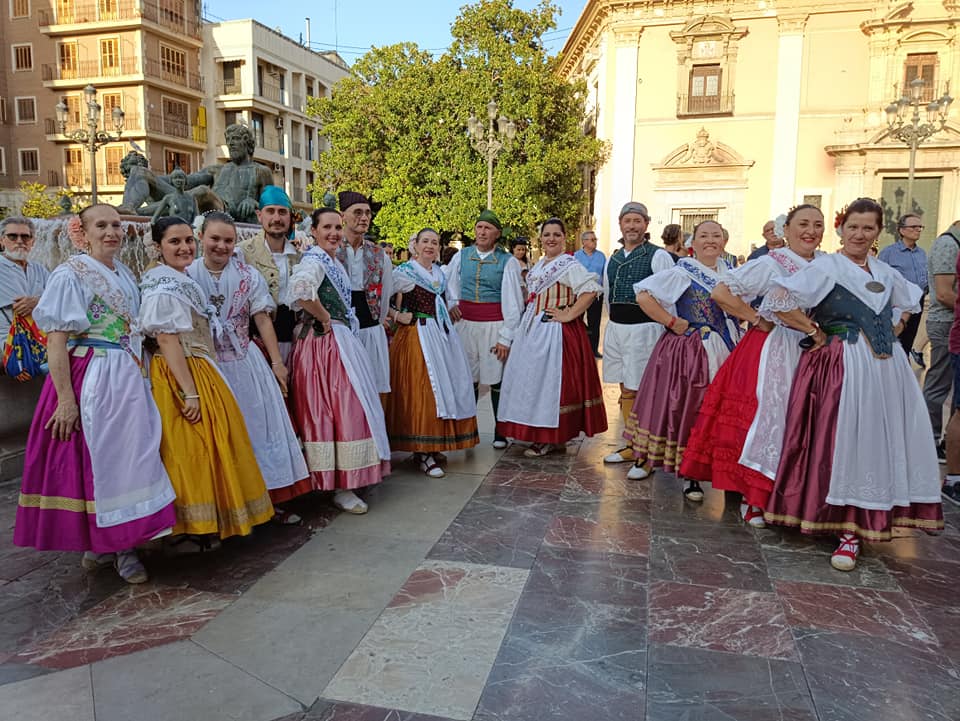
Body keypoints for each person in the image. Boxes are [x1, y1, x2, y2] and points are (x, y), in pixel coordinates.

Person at [761, 198, 942, 570]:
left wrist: (897, 324)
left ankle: (866, 518)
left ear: (878, 232)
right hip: (843, 364)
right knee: (846, 438)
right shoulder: (827, 266)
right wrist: (814, 329)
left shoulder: (883, 270)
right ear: (841, 229)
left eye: (868, 228)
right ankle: (845, 526)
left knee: (879, 437)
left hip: (887, 368)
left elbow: (910, 301)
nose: (860, 234)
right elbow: (778, 300)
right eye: (853, 227)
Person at [14, 204, 177, 583]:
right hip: (95, 375)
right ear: (82, 233)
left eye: (116, 225)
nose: (112, 232)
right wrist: (66, 400)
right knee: (104, 461)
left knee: (130, 458)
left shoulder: (122, 272)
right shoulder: (70, 274)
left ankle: (118, 540)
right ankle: (118, 547)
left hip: (128, 373)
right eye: (101, 225)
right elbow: (56, 342)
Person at [680, 205, 824, 526]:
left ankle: (792, 495)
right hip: (771, 347)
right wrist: (756, 318)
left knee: (801, 422)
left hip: (813, 350)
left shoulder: (829, 264)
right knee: (763, 419)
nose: (810, 231)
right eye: (802, 224)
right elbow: (721, 291)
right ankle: (753, 496)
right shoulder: (770, 263)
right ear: (785, 230)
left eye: (817, 225)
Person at [140, 217, 273, 545]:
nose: (184, 247)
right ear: (158, 246)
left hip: (198, 366)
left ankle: (208, 524)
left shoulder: (179, 278)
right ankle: (191, 525)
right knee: (189, 450)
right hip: (180, 372)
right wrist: (190, 392)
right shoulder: (162, 284)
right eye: (174, 242)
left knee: (211, 446)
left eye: (187, 241)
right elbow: (167, 339)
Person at [187, 212, 311, 516]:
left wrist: (277, 362)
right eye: (215, 238)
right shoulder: (187, 274)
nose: (221, 246)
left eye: (228, 240)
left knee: (257, 427)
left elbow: (262, 320)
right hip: (205, 365)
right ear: (201, 236)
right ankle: (224, 507)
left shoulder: (247, 275)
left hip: (245, 362)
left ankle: (266, 501)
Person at [622, 220, 740, 499]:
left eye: (716, 235)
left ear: (724, 241)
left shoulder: (734, 272)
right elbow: (644, 295)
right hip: (691, 351)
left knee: (723, 413)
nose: (710, 240)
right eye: (704, 236)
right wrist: (671, 321)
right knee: (690, 409)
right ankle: (690, 474)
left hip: (727, 348)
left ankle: (724, 472)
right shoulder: (682, 271)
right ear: (693, 243)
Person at [287, 208, 391, 512]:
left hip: (339, 343)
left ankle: (347, 478)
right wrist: (325, 317)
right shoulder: (315, 260)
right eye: (326, 228)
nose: (333, 233)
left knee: (347, 408)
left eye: (336, 227)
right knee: (335, 409)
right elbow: (301, 291)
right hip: (324, 347)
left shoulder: (331, 261)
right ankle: (339, 485)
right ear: (315, 232)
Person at [497, 218, 607, 456]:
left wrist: (569, 314)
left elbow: (590, 290)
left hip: (554, 332)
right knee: (533, 383)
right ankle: (541, 434)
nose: (551, 239)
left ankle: (549, 437)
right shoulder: (538, 265)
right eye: (547, 235)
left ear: (565, 238)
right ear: (541, 239)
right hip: (533, 330)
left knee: (549, 385)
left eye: (557, 235)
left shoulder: (569, 264)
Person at [386, 228, 479, 476]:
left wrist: (449, 311)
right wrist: (397, 315)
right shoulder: (402, 273)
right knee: (424, 391)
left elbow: (444, 302)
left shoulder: (439, 273)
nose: (430, 246)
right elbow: (380, 300)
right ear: (414, 244)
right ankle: (423, 450)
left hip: (439, 335)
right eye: (425, 241)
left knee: (444, 389)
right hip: (416, 336)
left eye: (434, 243)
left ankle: (433, 445)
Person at [601, 202, 675, 464]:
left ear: (646, 224)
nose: (632, 226)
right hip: (617, 329)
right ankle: (631, 443)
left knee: (644, 389)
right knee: (625, 388)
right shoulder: (614, 256)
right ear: (620, 223)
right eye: (627, 221)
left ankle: (646, 450)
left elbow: (668, 297)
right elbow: (608, 295)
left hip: (645, 330)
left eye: (637, 221)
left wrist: (668, 329)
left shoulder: (658, 256)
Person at [445, 210, 524, 449]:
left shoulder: (507, 261)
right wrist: (451, 304)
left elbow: (513, 302)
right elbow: (449, 285)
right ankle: (468, 431)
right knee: (466, 376)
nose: (482, 232)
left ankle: (500, 431)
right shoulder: (461, 256)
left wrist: (506, 337)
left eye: (487, 228)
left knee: (497, 377)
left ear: (497, 234)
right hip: (465, 325)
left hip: (494, 325)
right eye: (479, 227)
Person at [119, 124, 274, 223]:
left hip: (224, 213)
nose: (231, 143)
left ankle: (138, 214)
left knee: (203, 192)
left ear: (247, 144)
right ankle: (129, 208)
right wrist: (141, 177)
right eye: (229, 140)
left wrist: (254, 203)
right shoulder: (217, 169)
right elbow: (183, 181)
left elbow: (272, 207)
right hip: (195, 205)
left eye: (236, 139)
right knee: (140, 171)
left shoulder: (261, 171)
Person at [336, 191, 393, 396]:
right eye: (357, 212)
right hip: (339, 330)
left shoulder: (379, 254)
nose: (364, 217)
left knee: (371, 388)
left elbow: (385, 296)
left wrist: (376, 319)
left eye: (367, 213)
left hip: (370, 326)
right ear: (342, 216)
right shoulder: (330, 250)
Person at [237, 186, 301, 363]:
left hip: (294, 342)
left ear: (290, 216)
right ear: (259, 215)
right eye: (270, 211)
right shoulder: (242, 253)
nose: (276, 218)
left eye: (282, 212)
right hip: (256, 344)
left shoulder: (299, 256)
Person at [923, 219, 960, 461]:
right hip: (946, 322)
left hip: (951, 321)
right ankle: (928, 439)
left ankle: (948, 440)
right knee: (938, 386)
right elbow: (945, 293)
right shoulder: (949, 244)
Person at [878, 214, 928, 353]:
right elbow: (880, 279)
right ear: (902, 230)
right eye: (913, 226)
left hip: (918, 302)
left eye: (920, 227)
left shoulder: (922, 253)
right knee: (895, 341)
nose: (918, 230)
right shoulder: (888, 253)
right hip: (898, 304)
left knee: (908, 341)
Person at [0, 216, 49, 343]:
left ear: (32, 242)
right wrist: (43, 301)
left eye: (25, 236)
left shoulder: (39, 269)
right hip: (8, 339)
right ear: (2, 240)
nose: (20, 241)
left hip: (40, 338)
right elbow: (20, 307)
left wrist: (37, 301)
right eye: (12, 236)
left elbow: (58, 297)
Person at [573, 229, 606, 359]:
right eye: (592, 239)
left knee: (595, 323)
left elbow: (604, 275)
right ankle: (577, 350)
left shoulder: (601, 256)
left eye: (595, 239)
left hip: (596, 294)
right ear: (584, 242)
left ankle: (593, 350)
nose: (595, 242)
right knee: (577, 321)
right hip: (579, 294)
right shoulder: (575, 256)